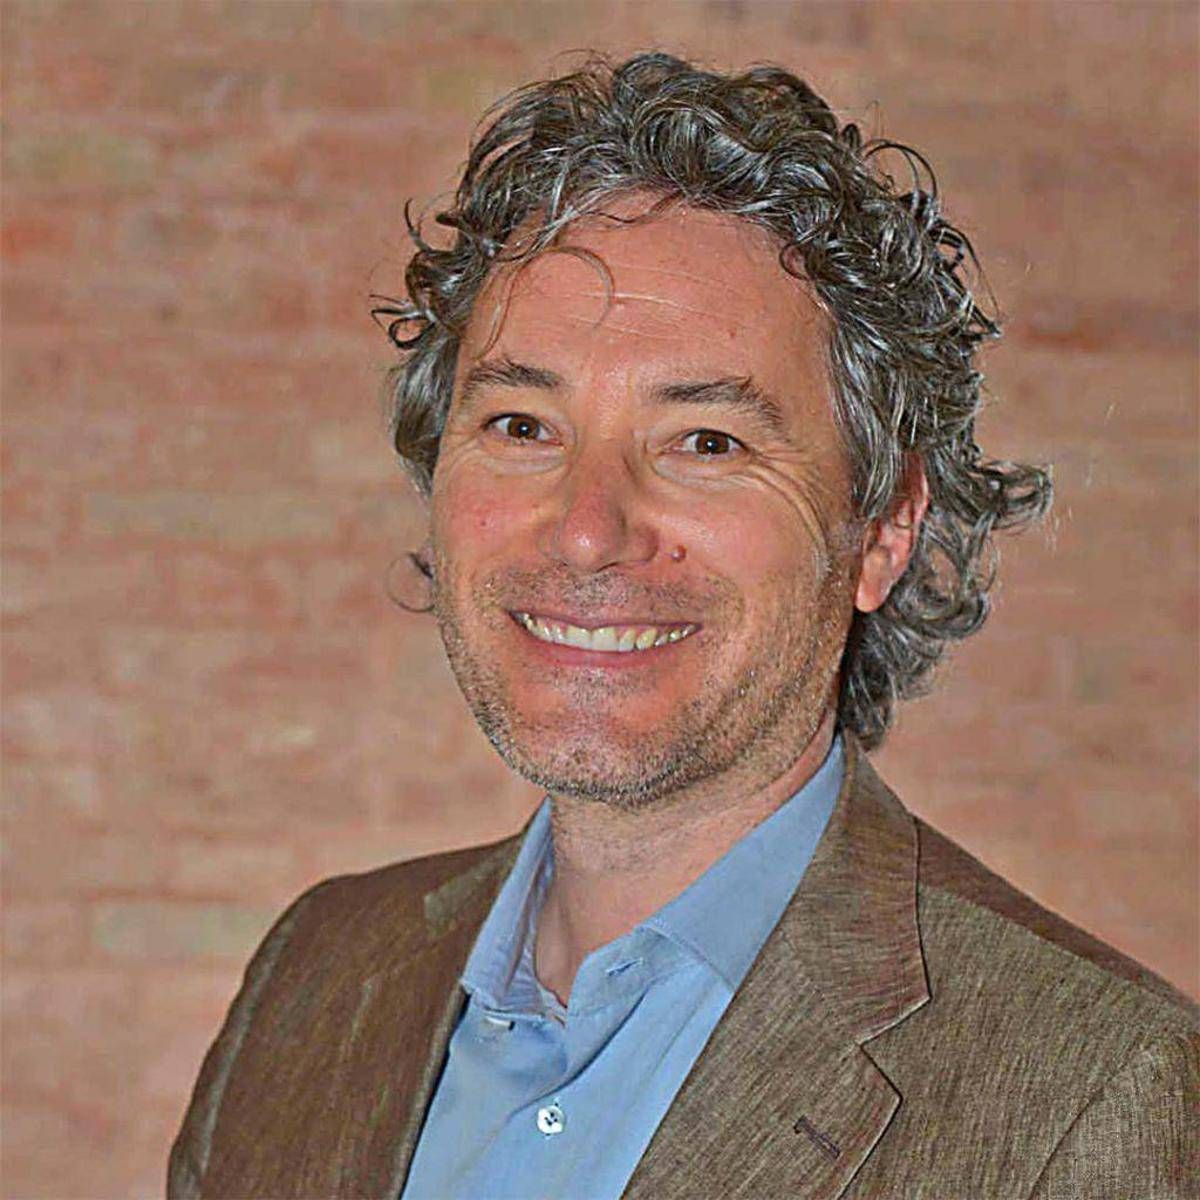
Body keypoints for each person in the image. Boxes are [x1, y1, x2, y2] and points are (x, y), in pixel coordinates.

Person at [169, 52, 1198, 1199]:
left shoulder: (1094, 1092)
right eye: (522, 425)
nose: (585, 532)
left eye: (706, 442)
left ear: (883, 529)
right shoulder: (315, 974)